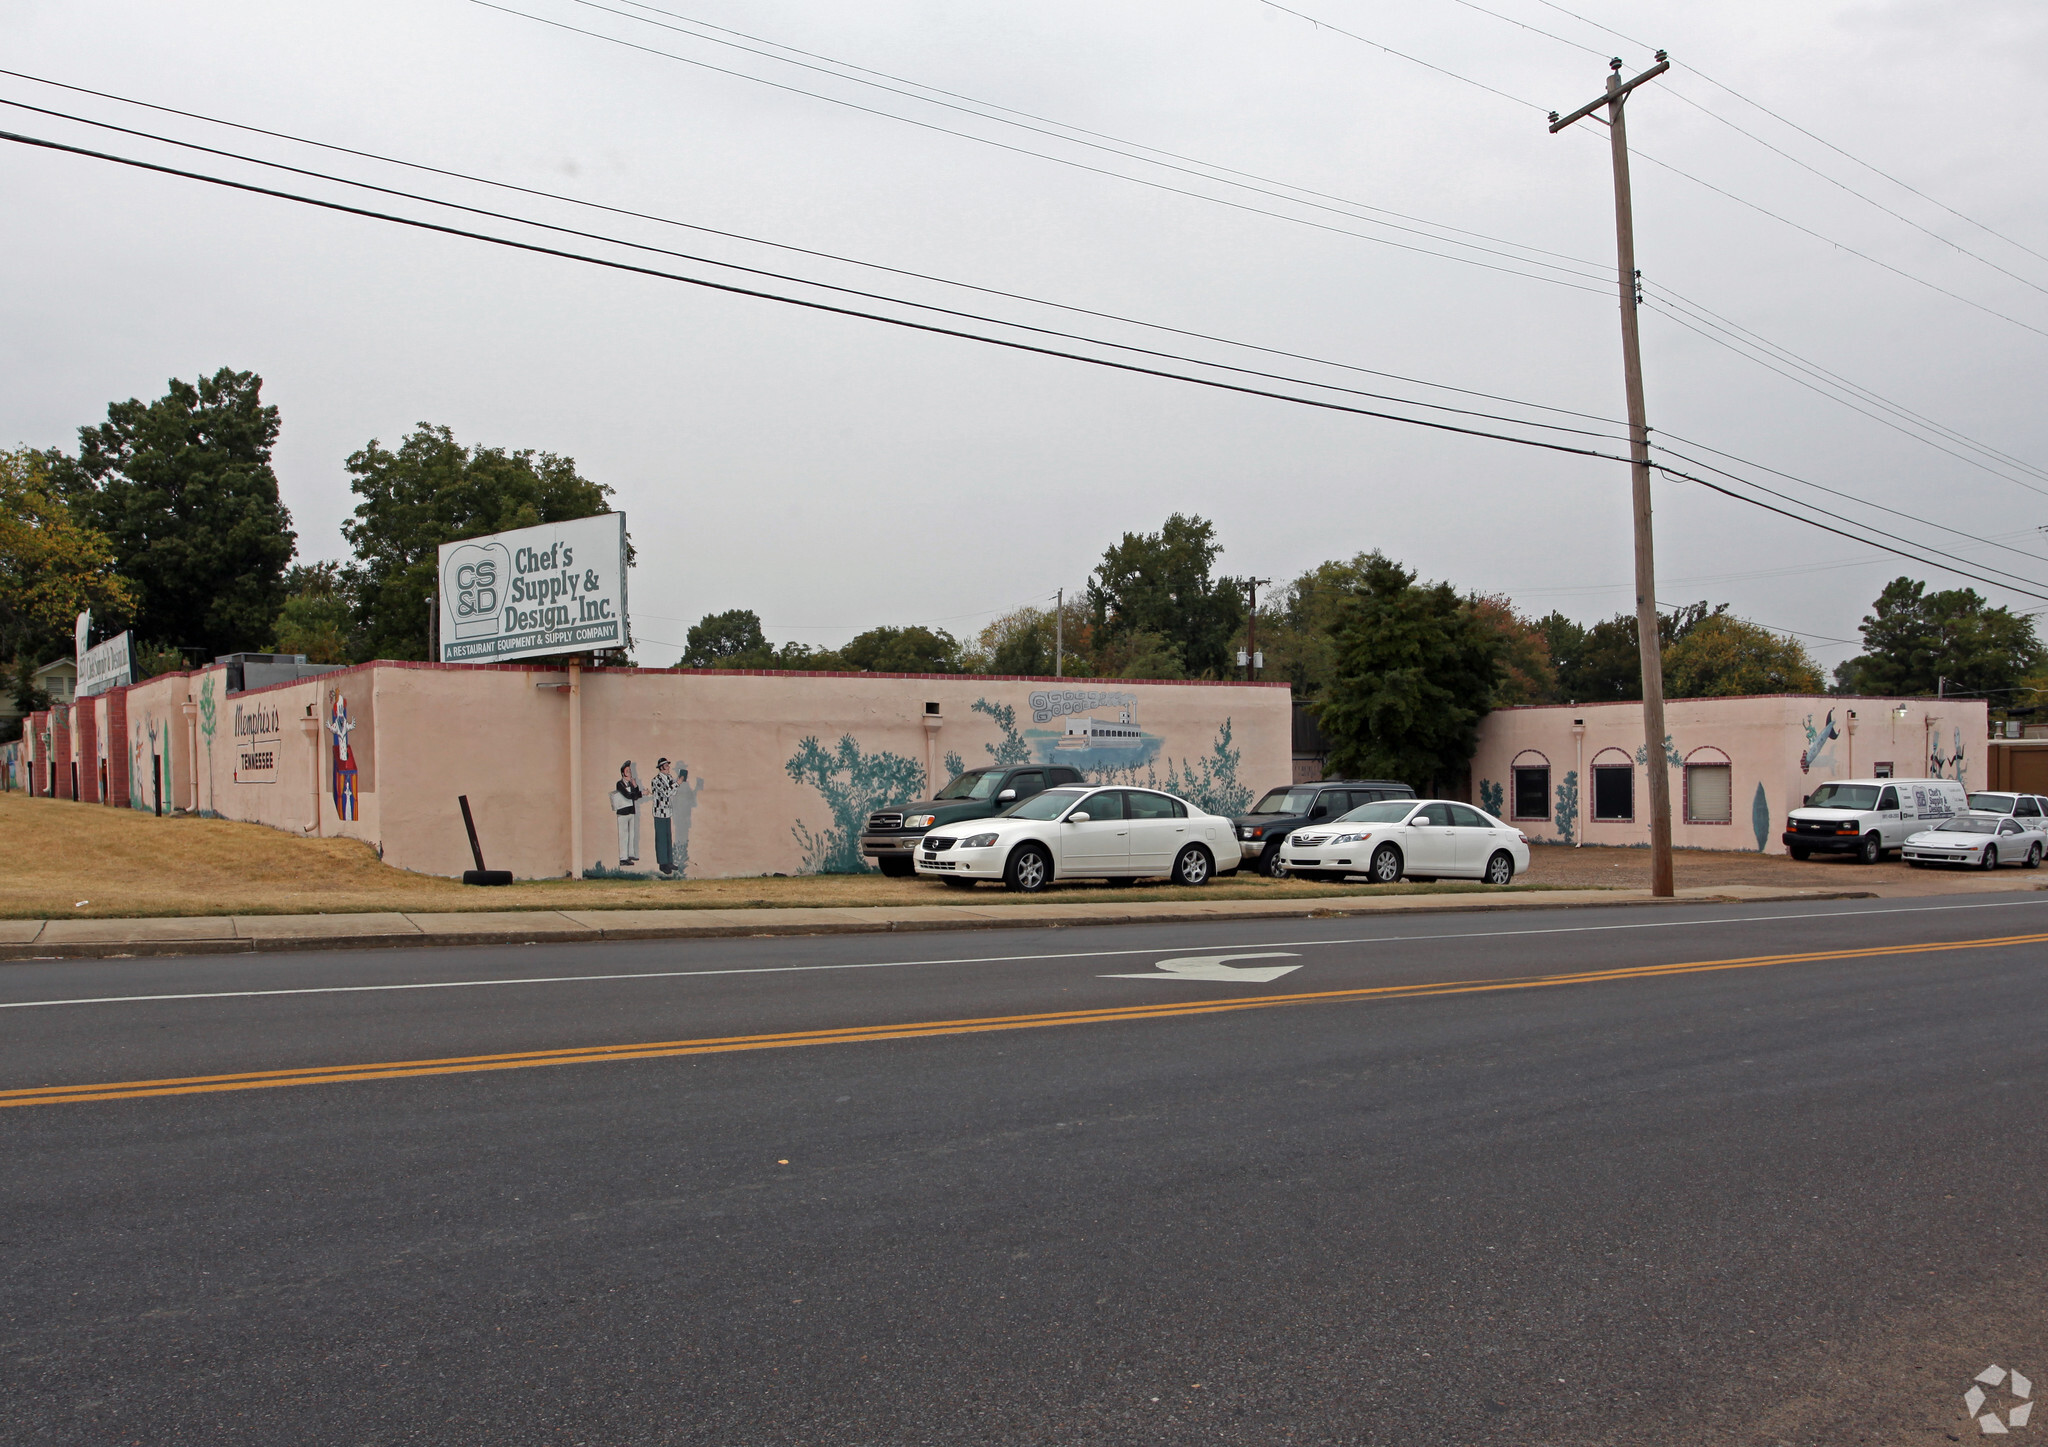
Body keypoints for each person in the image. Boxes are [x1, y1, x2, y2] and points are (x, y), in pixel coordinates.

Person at [611, 761, 644, 866]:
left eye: (630, 771)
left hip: (631, 812)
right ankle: (623, 858)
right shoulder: (620, 784)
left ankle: (630, 854)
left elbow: (636, 796)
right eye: (627, 771)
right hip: (623, 813)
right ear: (623, 774)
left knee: (631, 834)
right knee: (623, 835)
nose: (629, 773)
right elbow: (629, 795)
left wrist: (635, 786)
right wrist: (641, 793)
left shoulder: (630, 783)